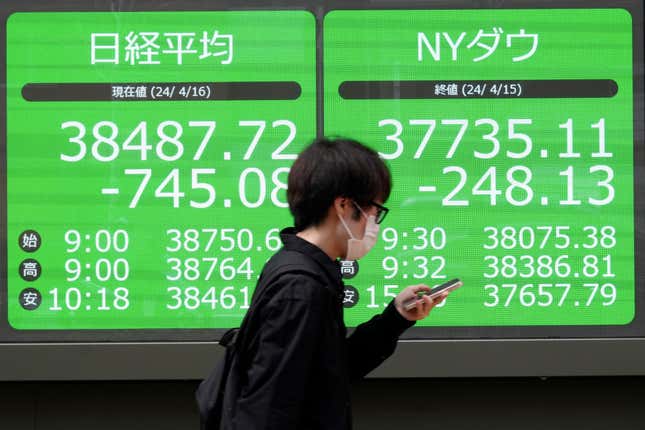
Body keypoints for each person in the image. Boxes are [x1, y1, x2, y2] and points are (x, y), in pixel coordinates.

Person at [225, 137, 449, 429]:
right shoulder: (301, 288)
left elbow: (330, 373)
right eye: (375, 210)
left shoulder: (307, 271)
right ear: (343, 205)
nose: (374, 223)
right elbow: (268, 407)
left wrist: (396, 317)